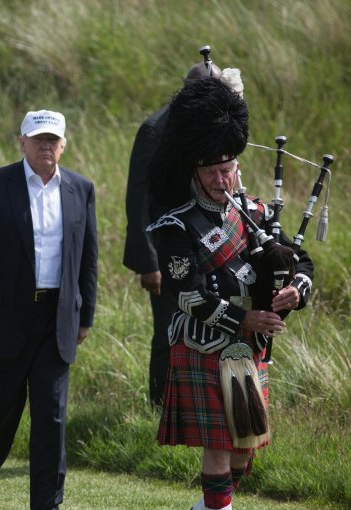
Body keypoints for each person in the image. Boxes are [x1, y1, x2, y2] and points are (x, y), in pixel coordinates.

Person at [147, 79, 314, 510]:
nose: (224, 179)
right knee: (219, 448)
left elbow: (303, 262)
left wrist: (293, 291)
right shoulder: (175, 226)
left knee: (244, 453)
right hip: (203, 345)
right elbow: (188, 296)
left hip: (251, 346)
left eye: (230, 168)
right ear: (195, 171)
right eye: (215, 171)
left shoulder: (258, 212)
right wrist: (246, 317)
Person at [0, 110, 98, 510]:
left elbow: (87, 258)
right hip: (3, 321)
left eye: (53, 140)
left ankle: (47, 509)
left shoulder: (80, 189)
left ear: (64, 145)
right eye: (38, 139)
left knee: (51, 415)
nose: (45, 147)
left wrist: (84, 315)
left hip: (57, 318)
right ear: (21, 142)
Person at [123, 49, 243, 408]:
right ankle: (160, 407)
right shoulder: (155, 129)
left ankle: (205, 403)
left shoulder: (217, 130)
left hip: (213, 244)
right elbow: (139, 198)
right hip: (169, 248)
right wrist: (148, 262)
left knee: (212, 323)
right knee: (168, 330)